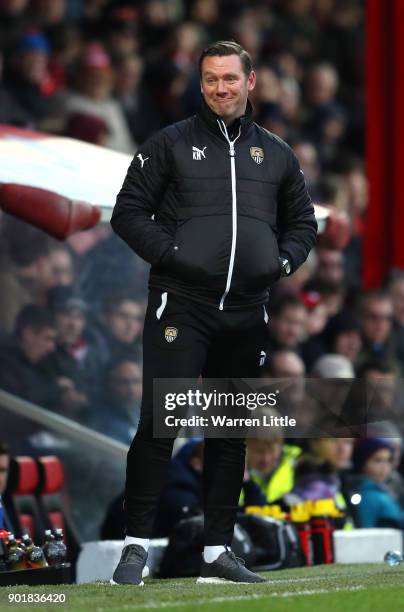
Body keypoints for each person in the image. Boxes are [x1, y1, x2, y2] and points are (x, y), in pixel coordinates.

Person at [110, 40, 317, 586]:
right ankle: (135, 548)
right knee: (161, 422)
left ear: (251, 83)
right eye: (210, 79)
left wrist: (283, 262)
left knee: (230, 431)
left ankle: (217, 554)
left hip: (247, 311)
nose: (219, 88)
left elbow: (304, 222)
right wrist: (175, 257)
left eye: (229, 78)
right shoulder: (169, 144)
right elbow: (128, 213)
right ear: (200, 84)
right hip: (183, 305)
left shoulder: (276, 153)